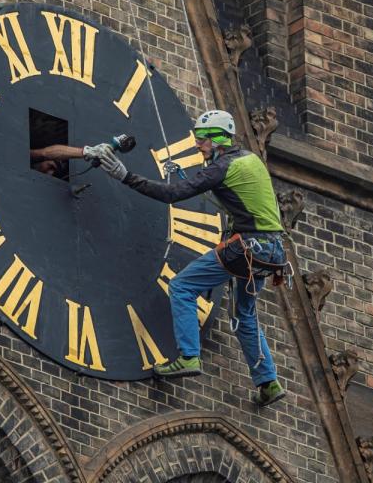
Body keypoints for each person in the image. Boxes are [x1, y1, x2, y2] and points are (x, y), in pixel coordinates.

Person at [94, 109, 288, 407]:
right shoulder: (251, 161)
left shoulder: (223, 166)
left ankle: (188, 357)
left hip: (247, 248)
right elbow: (238, 201)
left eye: (202, 140)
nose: (198, 145)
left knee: (182, 287)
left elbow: (173, 194)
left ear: (218, 139)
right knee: (245, 316)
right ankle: (269, 383)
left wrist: (125, 176)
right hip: (272, 253)